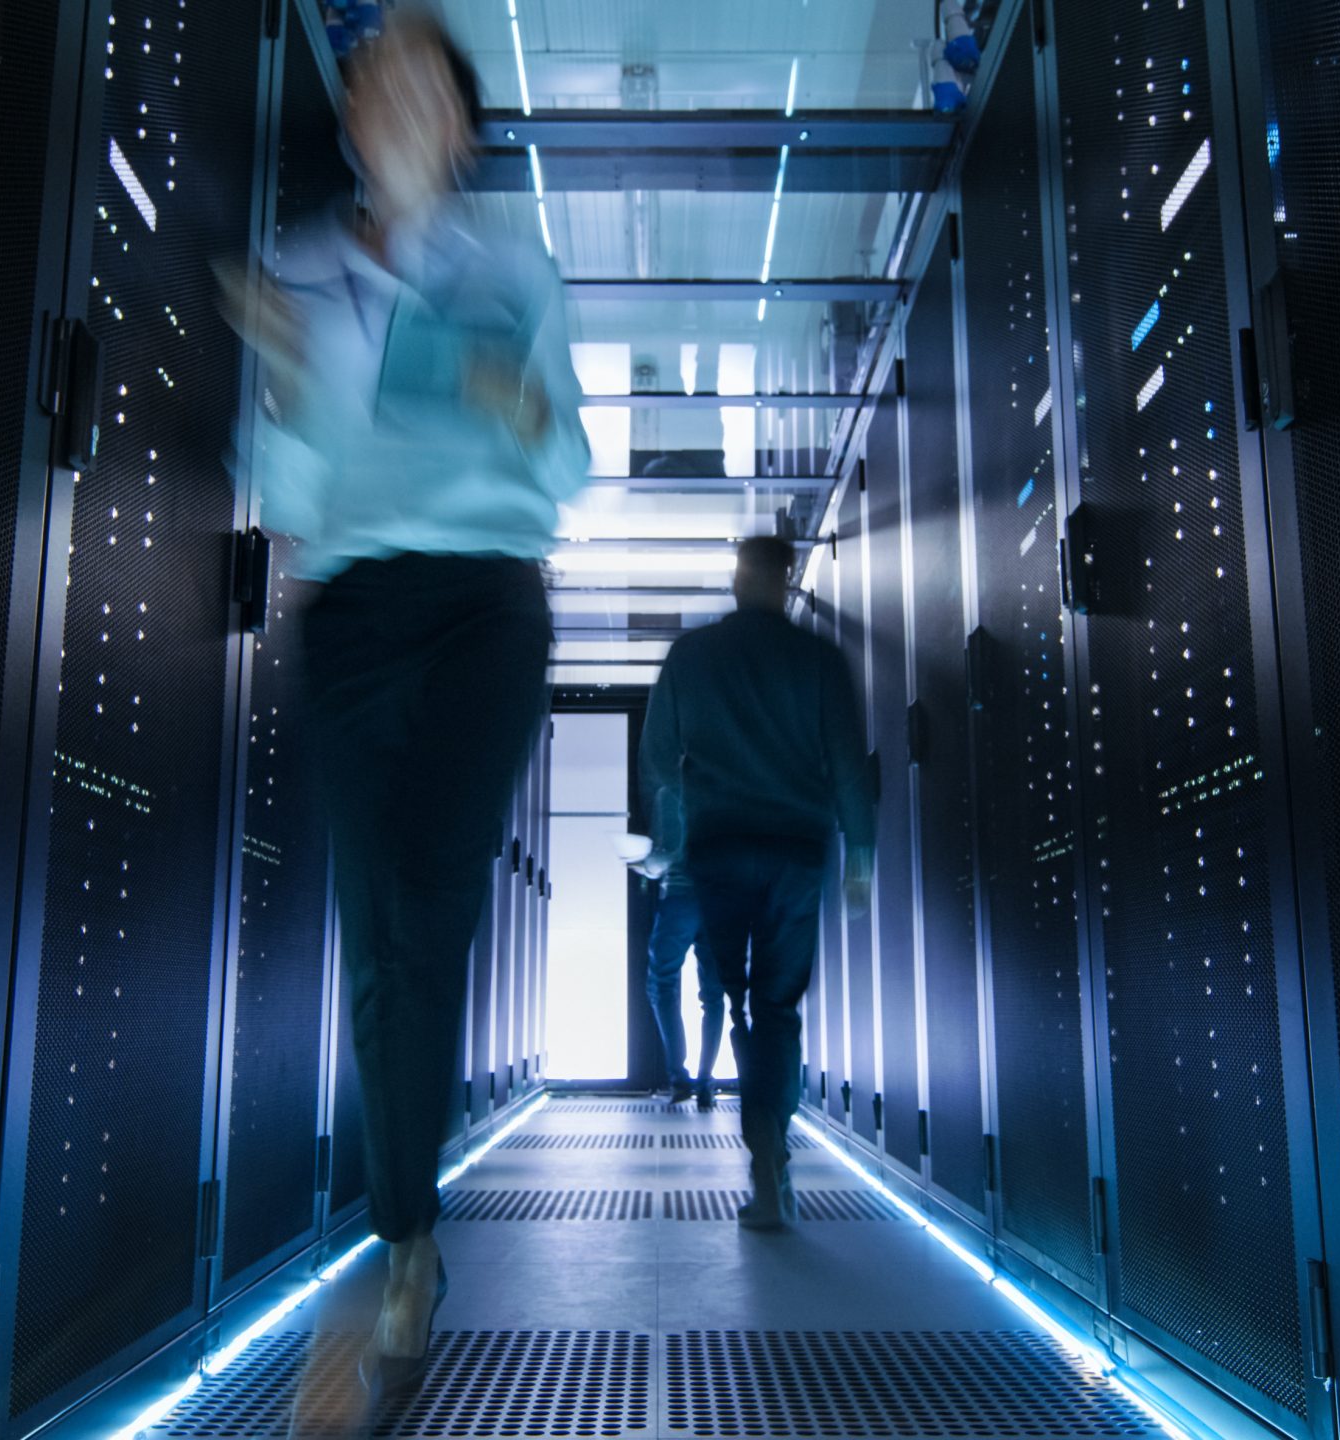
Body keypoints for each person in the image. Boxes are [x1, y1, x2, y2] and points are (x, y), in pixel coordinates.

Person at [218, 10, 589, 1427]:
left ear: (465, 126)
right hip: (357, 613)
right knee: (379, 916)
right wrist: (298, 384)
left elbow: (573, 464)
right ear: (356, 115)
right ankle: (411, 1238)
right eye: (374, 79)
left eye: (423, 83)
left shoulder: (513, 268)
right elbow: (294, 497)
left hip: (489, 603)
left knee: (429, 896)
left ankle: (402, 1241)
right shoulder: (303, 268)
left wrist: (519, 405)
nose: (391, 98)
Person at [639, 537, 874, 1229]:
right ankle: (771, 1137)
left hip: (717, 849)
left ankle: (760, 1138)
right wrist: (860, 851)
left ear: (736, 579)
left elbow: (657, 759)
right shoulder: (821, 660)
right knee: (780, 1005)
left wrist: (670, 843)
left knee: (733, 997)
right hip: (797, 850)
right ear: (788, 578)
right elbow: (847, 765)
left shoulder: (692, 657)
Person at [637, 783, 728, 1107]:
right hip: (720, 900)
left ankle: (679, 1078)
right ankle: (706, 1081)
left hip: (680, 898)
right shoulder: (729, 786)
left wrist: (644, 865)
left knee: (661, 983)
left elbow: (669, 852)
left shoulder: (673, 791)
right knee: (714, 995)